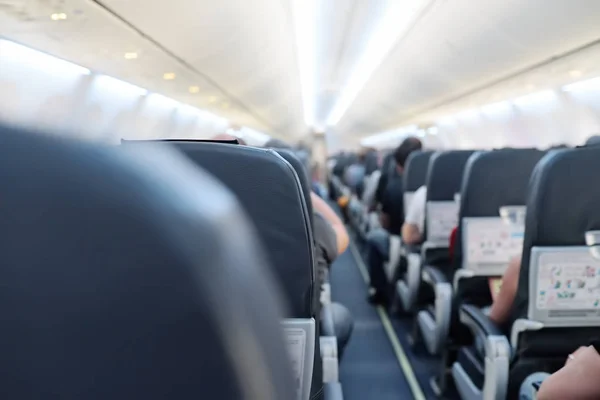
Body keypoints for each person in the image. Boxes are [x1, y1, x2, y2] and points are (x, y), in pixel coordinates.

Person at [366, 137, 423, 305]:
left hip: (400, 241)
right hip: (426, 248)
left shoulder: (392, 187)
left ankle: (379, 290)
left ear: (398, 165)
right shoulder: (436, 185)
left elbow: (385, 222)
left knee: (373, 238)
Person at [311, 192, 353, 359]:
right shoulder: (314, 223)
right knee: (341, 317)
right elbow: (341, 233)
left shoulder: (226, 230)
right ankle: (323, 379)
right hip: (309, 336)